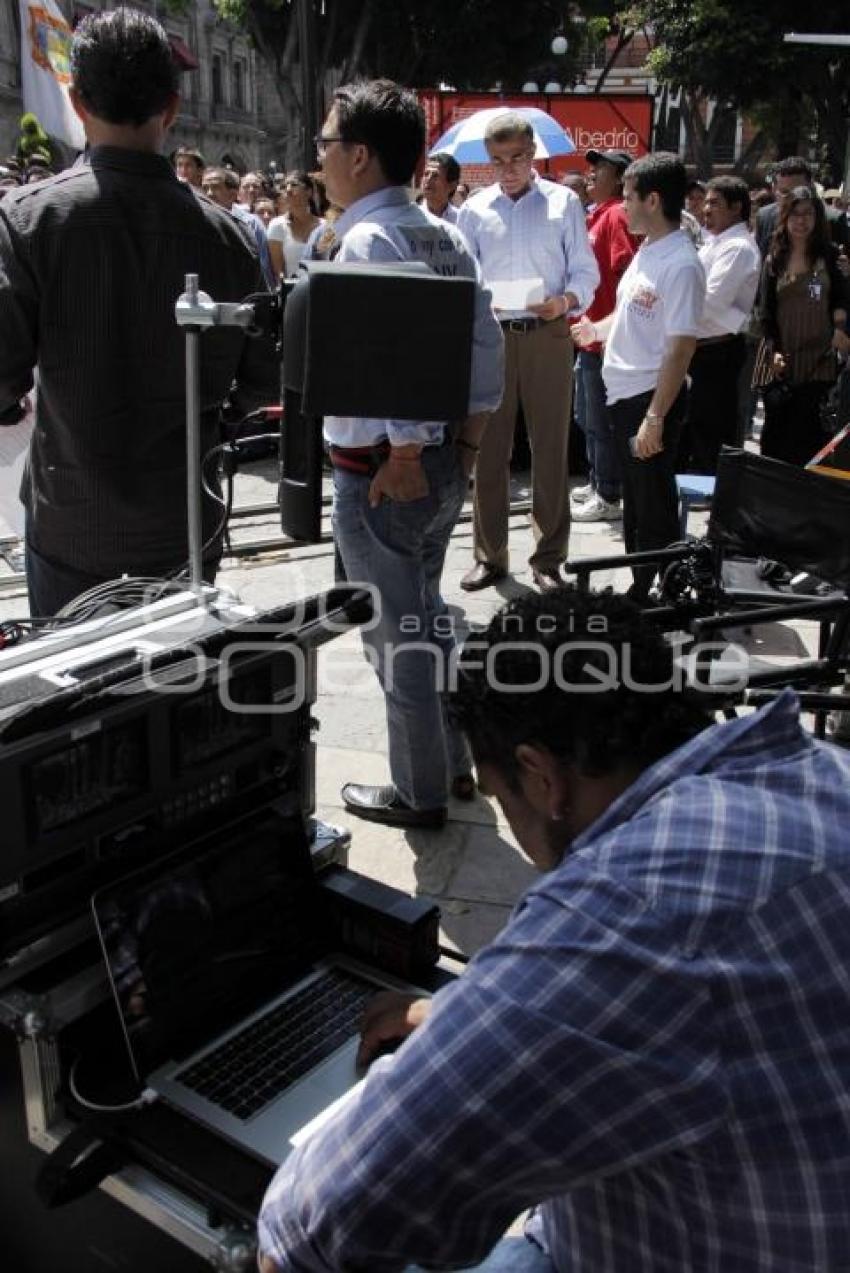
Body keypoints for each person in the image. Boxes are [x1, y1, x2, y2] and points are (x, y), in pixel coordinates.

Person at [257, 584, 850, 1273]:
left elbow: (317, 1224)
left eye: (500, 793)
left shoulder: (628, 905)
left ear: (540, 776)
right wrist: (460, 1014)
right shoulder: (817, 771)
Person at [0, 9, 278, 617]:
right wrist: (221, 417)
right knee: (182, 695)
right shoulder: (229, 237)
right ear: (172, 108)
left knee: (77, 703)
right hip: (184, 525)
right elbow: (264, 373)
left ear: (77, 102)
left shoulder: (28, 222)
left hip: (73, 526)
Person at [316, 78, 503, 829]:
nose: (320, 158)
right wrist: (461, 445)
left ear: (359, 156)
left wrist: (402, 452)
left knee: (400, 642)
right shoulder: (442, 232)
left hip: (383, 477)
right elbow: (485, 353)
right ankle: (452, 763)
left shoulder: (368, 237)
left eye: (327, 144)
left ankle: (419, 791)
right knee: (425, 623)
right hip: (439, 464)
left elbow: (384, 354)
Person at [457, 112, 598, 593]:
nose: (509, 168)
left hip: (548, 332)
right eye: (498, 161)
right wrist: (480, 301)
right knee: (489, 449)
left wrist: (565, 301)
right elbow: (466, 276)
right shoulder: (474, 210)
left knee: (550, 447)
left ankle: (549, 558)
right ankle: (489, 555)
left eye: (517, 157)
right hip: (493, 334)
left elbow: (586, 273)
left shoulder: (563, 203)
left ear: (533, 150)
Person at [574, 152, 705, 602]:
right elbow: (629, 313)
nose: (621, 206)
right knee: (637, 503)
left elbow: (681, 347)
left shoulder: (682, 263)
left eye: (628, 197)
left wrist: (655, 417)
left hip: (650, 397)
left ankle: (664, 592)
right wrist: (596, 329)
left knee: (653, 505)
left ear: (652, 200)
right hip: (624, 395)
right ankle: (642, 583)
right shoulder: (650, 249)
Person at [757, 186, 850, 466]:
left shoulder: (832, 257)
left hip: (820, 360)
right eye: (795, 214)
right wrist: (772, 350)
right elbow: (766, 311)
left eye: (808, 214)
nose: (801, 221)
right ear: (784, 218)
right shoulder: (775, 260)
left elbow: (841, 298)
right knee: (778, 435)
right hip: (783, 360)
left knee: (811, 434)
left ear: (817, 218)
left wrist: (841, 329)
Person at [571, 148, 638, 523]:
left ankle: (609, 494)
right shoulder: (597, 214)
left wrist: (614, 330)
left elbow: (627, 269)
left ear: (621, 178)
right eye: (592, 167)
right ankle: (600, 480)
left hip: (605, 339)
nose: (591, 173)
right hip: (589, 336)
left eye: (602, 169)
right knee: (586, 415)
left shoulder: (616, 215)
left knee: (600, 419)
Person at [678, 175, 761, 474]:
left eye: (714, 203)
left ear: (736, 207)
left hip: (717, 351)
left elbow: (709, 303)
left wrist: (674, 307)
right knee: (694, 423)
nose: (705, 209)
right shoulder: (715, 242)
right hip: (701, 348)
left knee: (710, 426)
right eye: (706, 202)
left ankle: (709, 491)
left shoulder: (737, 247)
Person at [755, 156, 850, 257]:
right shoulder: (764, 217)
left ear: (811, 187)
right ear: (774, 190)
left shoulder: (833, 220)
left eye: (798, 191)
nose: (793, 199)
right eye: (785, 192)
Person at [201, 165, 274, 288]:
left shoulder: (250, 223)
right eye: (205, 188)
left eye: (215, 188)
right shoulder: (198, 221)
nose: (209, 193)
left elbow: (262, 267)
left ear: (233, 194)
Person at [266, 170, 323, 278]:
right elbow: (279, 275)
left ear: (309, 192)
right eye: (284, 186)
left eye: (294, 185)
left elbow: (329, 260)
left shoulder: (326, 227)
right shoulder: (277, 226)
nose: (288, 190)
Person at [418, 150, 460, 222]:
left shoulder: (460, 219)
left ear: (452, 185)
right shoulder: (412, 216)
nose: (428, 179)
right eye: (426, 174)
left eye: (435, 176)